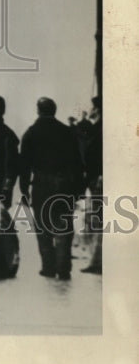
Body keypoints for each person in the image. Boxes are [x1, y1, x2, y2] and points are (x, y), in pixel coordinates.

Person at [19, 97, 85, 281]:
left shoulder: (31, 133)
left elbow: (24, 165)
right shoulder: (67, 132)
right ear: (54, 111)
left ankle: (48, 267)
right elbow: (78, 163)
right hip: (65, 185)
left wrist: (23, 189)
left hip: (41, 185)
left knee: (43, 227)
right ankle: (63, 268)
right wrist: (79, 188)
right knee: (63, 226)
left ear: (38, 111)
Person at [81, 95, 103, 274]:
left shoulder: (100, 129)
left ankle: (98, 262)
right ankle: (97, 260)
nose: (92, 110)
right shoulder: (97, 128)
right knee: (98, 219)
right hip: (95, 179)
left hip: (98, 180)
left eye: (94, 108)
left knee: (99, 220)